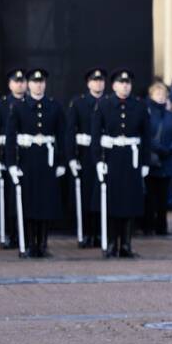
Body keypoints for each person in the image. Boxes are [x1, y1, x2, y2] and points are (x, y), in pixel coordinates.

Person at [5, 69, 66, 258]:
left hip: (47, 161)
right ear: (28, 84)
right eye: (34, 82)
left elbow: (62, 136)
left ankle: (43, 244)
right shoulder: (19, 107)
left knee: (45, 203)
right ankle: (31, 243)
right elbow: (10, 137)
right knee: (29, 204)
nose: (38, 85)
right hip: (27, 159)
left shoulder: (54, 106)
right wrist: (12, 164)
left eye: (41, 82)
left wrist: (62, 162)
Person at [91, 69, 150, 258]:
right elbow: (95, 136)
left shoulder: (139, 106)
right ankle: (110, 244)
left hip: (132, 160)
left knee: (130, 203)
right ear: (114, 85)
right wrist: (99, 161)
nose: (125, 85)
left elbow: (146, 137)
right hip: (112, 158)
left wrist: (145, 162)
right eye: (121, 82)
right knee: (112, 203)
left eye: (128, 83)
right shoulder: (104, 105)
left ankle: (126, 244)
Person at [66, 68, 107, 247]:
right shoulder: (79, 103)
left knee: (101, 197)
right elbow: (70, 131)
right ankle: (87, 234)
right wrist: (71, 158)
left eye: (100, 80)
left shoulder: (109, 102)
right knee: (86, 197)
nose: (98, 83)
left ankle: (100, 233)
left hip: (104, 154)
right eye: (94, 80)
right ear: (88, 83)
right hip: (85, 154)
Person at [0, 69, 28, 251]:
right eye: (16, 81)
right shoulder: (2, 105)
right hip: (7, 156)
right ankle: (9, 234)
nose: (20, 84)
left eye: (22, 81)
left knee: (26, 198)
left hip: (27, 156)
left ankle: (24, 234)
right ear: (10, 84)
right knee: (9, 199)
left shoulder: (30, 103)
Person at [145, 82, 172, 236]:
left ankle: (162, 227)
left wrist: (171, 149)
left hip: (167, 161)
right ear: (152, 96)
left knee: (163, 197)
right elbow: (146, 136)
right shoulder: (147, 114)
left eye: (163, 94)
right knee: (150, 196)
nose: (161, 97)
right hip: (152, 161)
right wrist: (160, 149)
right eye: (157, 94)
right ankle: (148, 227)